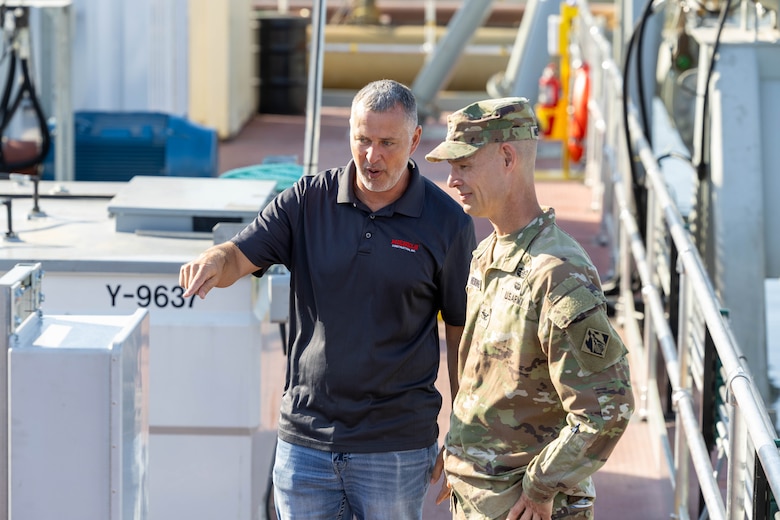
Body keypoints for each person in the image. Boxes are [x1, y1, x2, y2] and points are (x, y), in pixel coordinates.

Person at [179, 79, 476, 520]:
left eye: (387, 143)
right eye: (362, 140)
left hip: (394, 448)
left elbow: (460, 330)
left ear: (415, 140)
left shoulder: (448, 223)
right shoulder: (306, 201)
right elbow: (237, 257)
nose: (372, 157)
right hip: (306, 445)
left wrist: (464, 431)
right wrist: (212, 258)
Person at [424, 97, 635, 520]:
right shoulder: (486, 254)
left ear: (507, 157)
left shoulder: (557, 272)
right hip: (479, 497)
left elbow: (607, 407)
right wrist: (463, 447)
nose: (452, 180)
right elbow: (483, 377)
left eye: (464, 165)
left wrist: (543, 485)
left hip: (525, 507)